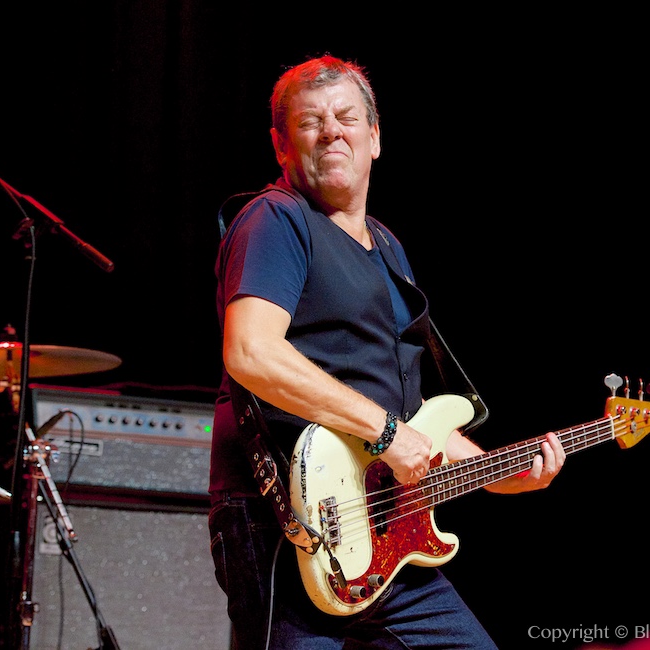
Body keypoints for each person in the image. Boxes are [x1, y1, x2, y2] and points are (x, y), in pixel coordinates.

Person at [209, 54, 565, 650]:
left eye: (347, 117)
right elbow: (250, 352)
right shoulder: (275, 219)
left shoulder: (389, 250)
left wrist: (499, 473)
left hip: (386, 527)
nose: (331, 131)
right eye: (309, 122)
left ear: (375, 137)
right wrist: (385, 433)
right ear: (280, 145)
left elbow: (410, 414)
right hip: (286, 522)